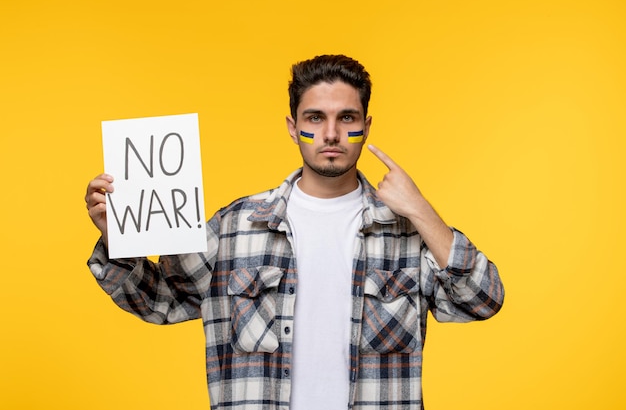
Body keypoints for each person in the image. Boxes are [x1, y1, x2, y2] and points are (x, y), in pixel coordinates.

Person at [85, 54, 504, 410]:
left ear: (367, 125)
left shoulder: (407, 234)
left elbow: (483, 299)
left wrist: (420, 209)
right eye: (315, 118)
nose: (331, 134)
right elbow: (161, 301)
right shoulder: (233, 228)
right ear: (292, 126)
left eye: (347, 118)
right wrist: (116, 237)